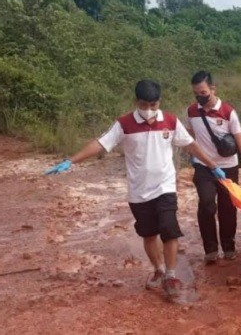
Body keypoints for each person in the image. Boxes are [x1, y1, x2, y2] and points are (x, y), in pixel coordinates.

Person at [44, 80, 226, 300]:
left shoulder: (170, 121)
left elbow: (190, 144)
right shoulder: (124, 124)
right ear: (136, 102)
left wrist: (212, 165)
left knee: (170, 229)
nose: (149, 109)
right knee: (149, 234)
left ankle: (170, 275)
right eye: (144, 104)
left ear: (159, 101)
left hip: (165, 187)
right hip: (139, 191)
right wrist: (71, 160)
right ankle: (158, 270)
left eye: (153, 104)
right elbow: (100, 144)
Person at [186, 71, 241, 264]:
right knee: (206, 204)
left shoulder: (228, 112)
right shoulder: (192, 111)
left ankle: (228, 246)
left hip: (228, 167)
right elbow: (189, 137)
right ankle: (210, 249)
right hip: (204, 167)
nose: (200, 96)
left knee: (227, 207)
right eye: (196, 93)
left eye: (203, 92)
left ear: (212, 89)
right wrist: (194, 157)